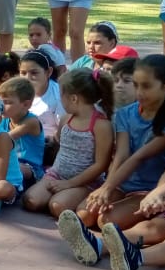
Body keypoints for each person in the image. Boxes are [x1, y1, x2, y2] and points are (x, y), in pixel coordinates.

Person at [58, 55, 165, 265]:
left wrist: (108, 187)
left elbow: (139, 156)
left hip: (149, 190)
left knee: (105, 219)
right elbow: (123, 154)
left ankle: (103, 241)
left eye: (146, 86)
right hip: (122, 182)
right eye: (136, 85)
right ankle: (84, 237)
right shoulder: (126, 113)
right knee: (86, 212)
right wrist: (108, 187)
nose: (139, 92)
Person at [100, 104, 165, 270]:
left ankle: (137, 257)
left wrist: (157, 194)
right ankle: (98, 245)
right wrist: (160, 195)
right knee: (152, 226)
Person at [22, 67, 114, 217]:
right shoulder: (66, 119)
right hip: (57, 175)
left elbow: (101, 165)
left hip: (84, 182)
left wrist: (70, 184)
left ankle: (72, 198)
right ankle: (60, 197)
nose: (60, 99)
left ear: (73, 98)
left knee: (57, 206)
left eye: (61, 95)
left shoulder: (101, 125)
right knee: (31, 200)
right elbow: (59, 145)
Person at [0, 77, 44, 186]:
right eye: (0, 101)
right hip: (9, 161)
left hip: (30, 168)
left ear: (26, 104)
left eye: (7, 102)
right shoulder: (4, 119)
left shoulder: (31, 121)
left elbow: (4, 140)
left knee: (5, 166)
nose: (1, 106)